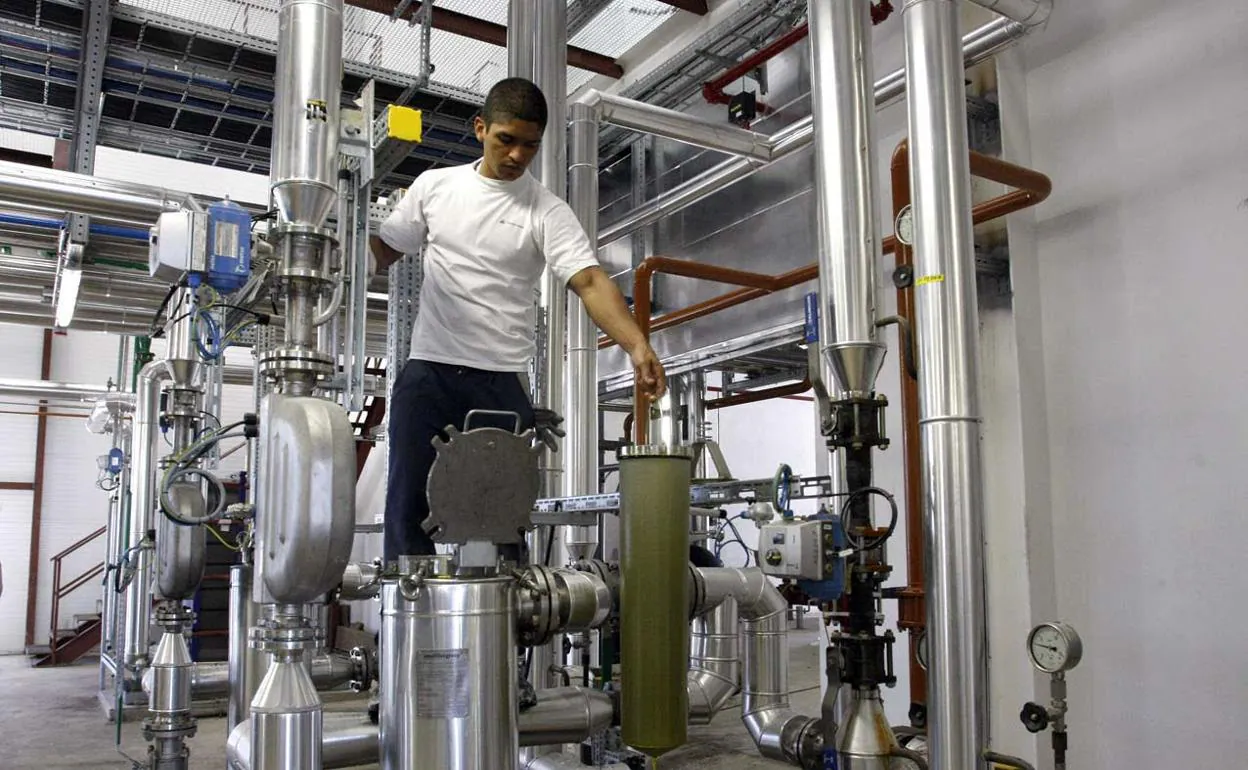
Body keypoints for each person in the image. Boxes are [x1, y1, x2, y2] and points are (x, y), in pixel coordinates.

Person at [371, 77, 666, 563]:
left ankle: (511, 622)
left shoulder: (546, 211)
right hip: (430, 371)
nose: (516, 155)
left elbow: (590, 281)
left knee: (503, 517)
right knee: (408, 507)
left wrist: (636, 344)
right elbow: (385, 248)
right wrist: (335, 263)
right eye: (506, 140)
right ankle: (409, 615)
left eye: (529, 145)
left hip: (499, 380)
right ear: (481, 129)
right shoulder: (436, 187)